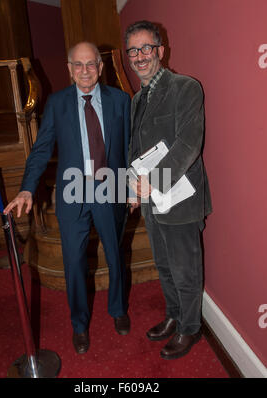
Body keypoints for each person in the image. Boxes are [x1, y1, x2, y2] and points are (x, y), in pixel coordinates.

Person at [4, 41, 131, 354]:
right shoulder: (58, 103)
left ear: (101, 68)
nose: (85, 71)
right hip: (73, 193)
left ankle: (117, 309)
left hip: (110, 187)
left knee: (115, 254)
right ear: (69, 69)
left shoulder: (120, 100)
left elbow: (130, 147)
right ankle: (79, 325)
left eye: (91, 64)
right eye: (78, 65)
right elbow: (42, 148)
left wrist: (130, 187)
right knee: (73, 262)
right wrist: (26, 187)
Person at [125, 20, 212, 360]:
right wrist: (132, 186)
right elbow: (135, 148)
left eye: (146, 48)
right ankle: (174, 314)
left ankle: (191, 328)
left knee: (185, 269)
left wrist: (154, 182)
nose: (140, 56)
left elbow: (188, 144)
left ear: (161, 51)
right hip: (149, 199)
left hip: (180, 198)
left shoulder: (186, 87)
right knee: (163, 265)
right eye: (133, 50)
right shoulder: (136, 100)